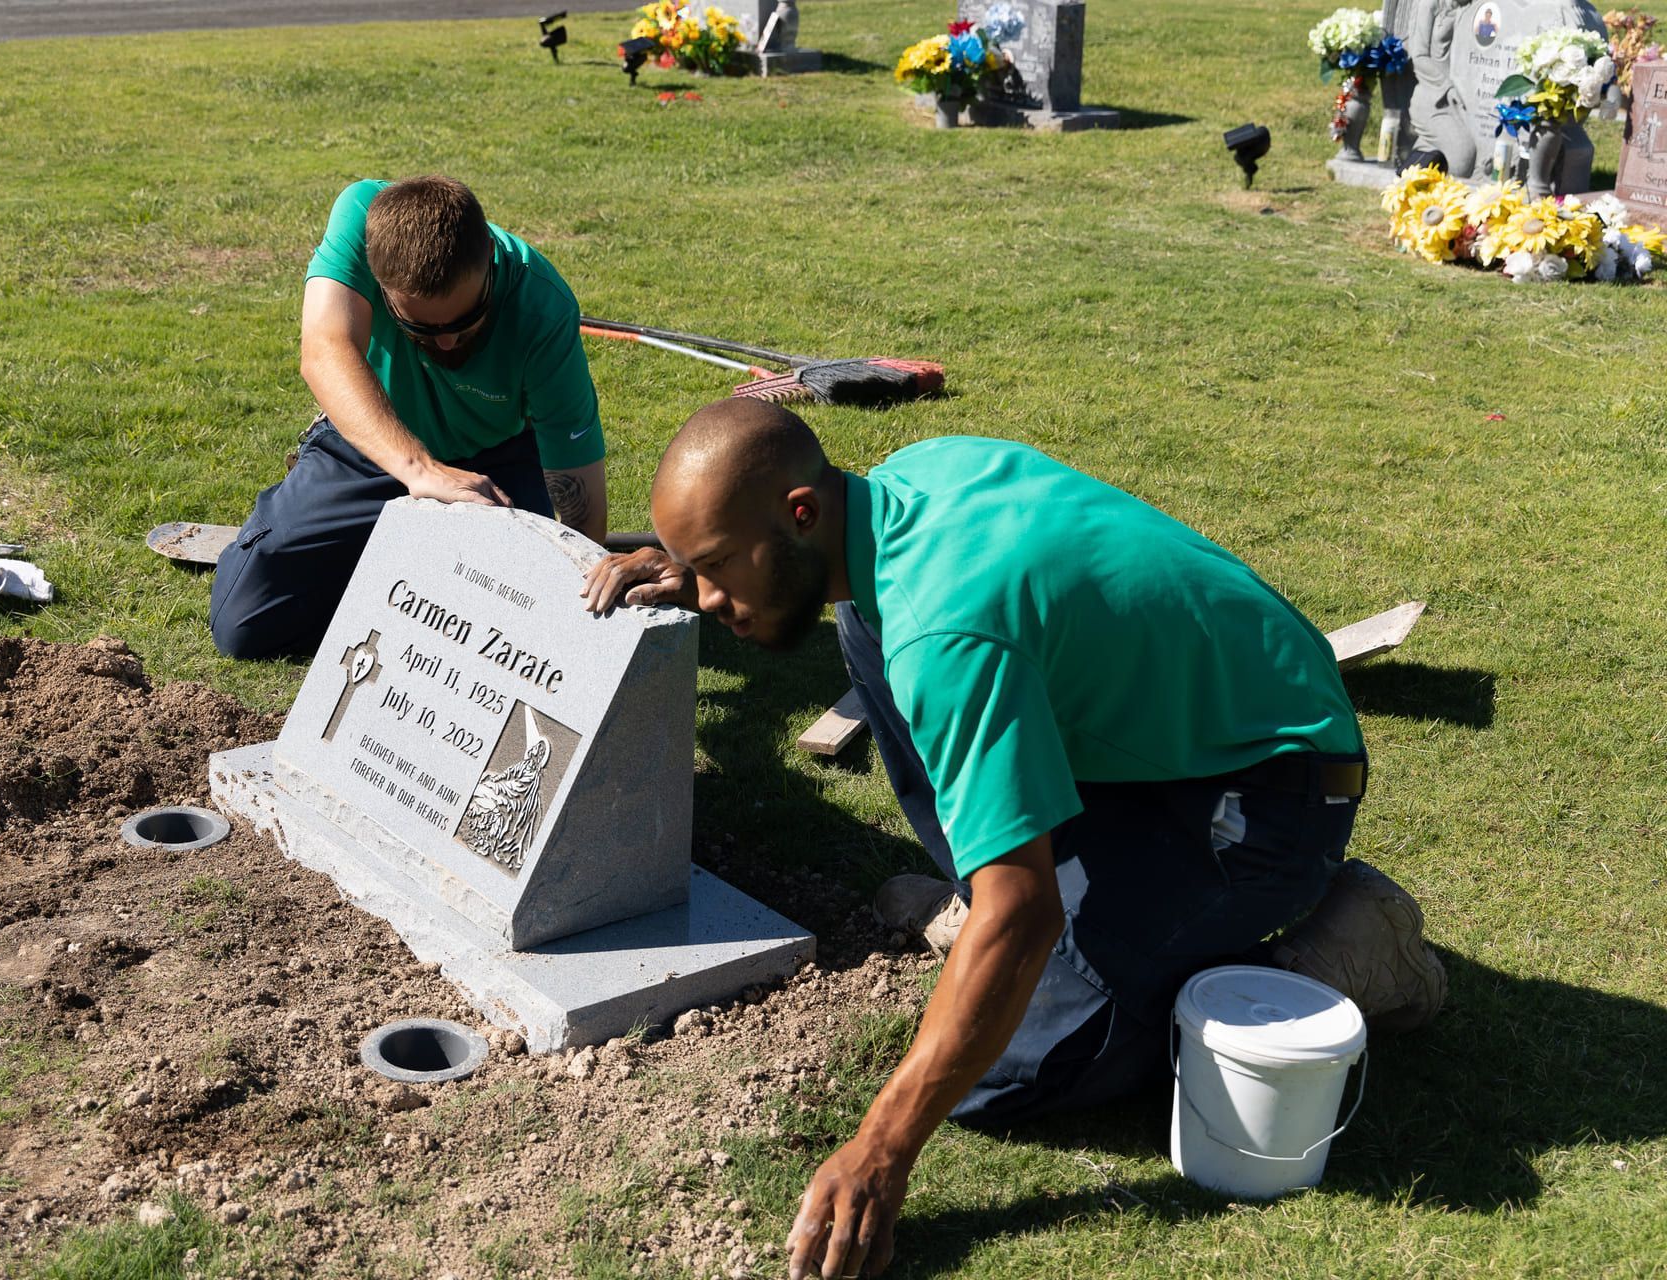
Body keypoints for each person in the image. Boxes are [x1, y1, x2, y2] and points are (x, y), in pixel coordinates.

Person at [581, 399, 1445, 1280]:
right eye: (700, 566)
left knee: (1009, 1071)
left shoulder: (947, 632)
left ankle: (1338, 949)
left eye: (721, 563)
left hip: (1274, 792)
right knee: (862, 618)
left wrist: (881, 1148)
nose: (712, 595)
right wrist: (701, 570)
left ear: (801, 513)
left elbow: (1025, 913)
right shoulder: (900, 490)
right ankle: (999, 905)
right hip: (1173, 740)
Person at [211, 175, 608, 659]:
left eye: (465, 321)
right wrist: (422, 471)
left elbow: (578, 485)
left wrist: (578, 588)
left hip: (496, 462)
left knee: (514, 626)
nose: (444, 342)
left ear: (488, 258)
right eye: (417, 325)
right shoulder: (362, 214)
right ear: (378, 281)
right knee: (246, 626)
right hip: (369, 444)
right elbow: (323, 349)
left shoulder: (542, 307)